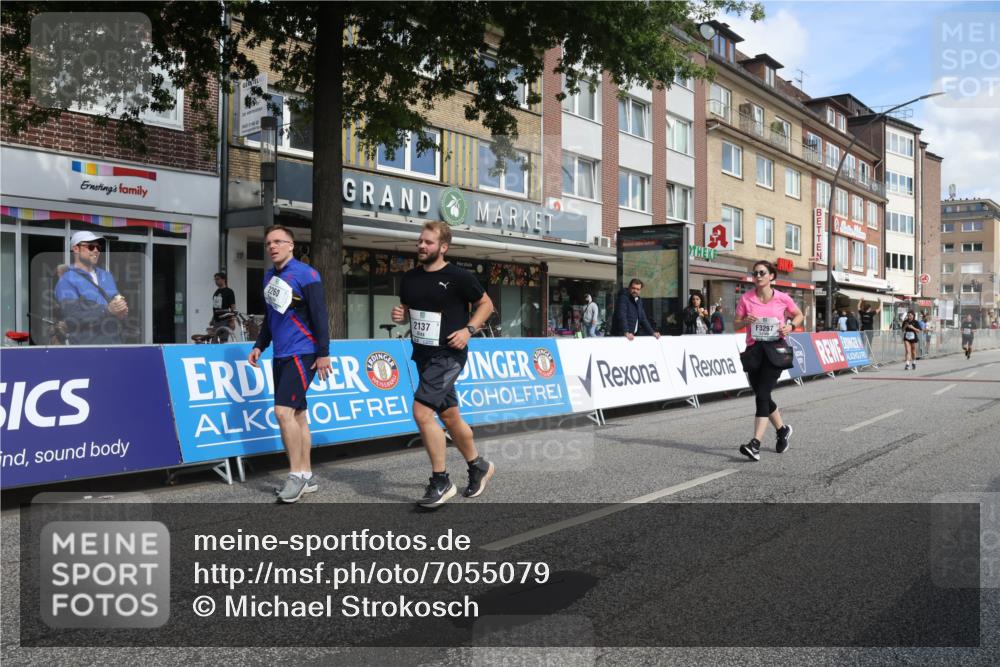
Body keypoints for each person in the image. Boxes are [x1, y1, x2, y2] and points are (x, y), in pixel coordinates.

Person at [392, 221, 496, 508]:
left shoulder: (459, 277)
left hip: (449, 355)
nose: (422, 246)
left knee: (422, 412)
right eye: (420, 241)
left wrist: (469, 330)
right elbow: (410, 313)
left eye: (428, 242)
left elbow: (486, 304)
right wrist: (401, 315)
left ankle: (441, 480)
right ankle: (479, 466)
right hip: (422, 355)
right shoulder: (410, 278)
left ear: (443, 247)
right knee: (450, 417)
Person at [248, 225, 331, 503]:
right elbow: (272, 318)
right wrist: (260, 345)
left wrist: (323, 353)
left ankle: (294, 475)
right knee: (297, 416)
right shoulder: (269, 276)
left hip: (303, 353)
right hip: (280, 354)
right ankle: (306, 476)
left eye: (278, 242)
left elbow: (321, 316)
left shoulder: (307, 274)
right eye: (269, 242)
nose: (272, 246)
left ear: (291, 245)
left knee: (283, 412)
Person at [734, 260, 804, 462]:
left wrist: (790, 326)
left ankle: (755, 443)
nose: (757, 276)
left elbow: (799, 315)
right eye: (754, 273)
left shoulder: (782, 298)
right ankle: (782, 430)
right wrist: (744, 321)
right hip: (754, 350)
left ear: (771, 276)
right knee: (762, 395)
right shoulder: (746, 299)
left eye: (762, 272)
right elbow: (735, 323)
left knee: (762, 394)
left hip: (775, 350)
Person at [54, 231, 129, 345]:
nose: (96, 250)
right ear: (76, 249)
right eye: (90, 246)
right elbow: (72, 318)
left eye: (98, 247)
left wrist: (121, 310)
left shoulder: (107, 276)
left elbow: (117, 303)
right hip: (87, 351)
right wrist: (107, 310)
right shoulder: (66, 280)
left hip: (115, 345)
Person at [210, 272, 237, 342]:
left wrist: (232, 321)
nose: (216, 281)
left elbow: (233, 307)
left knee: (223, 340)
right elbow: (216, 307)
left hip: (225, 320)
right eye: (215, 280)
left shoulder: (229, 291)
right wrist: (213, 319)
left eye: (218, 279)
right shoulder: (216, 292)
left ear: (223, 279)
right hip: (217, 321)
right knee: (214, 341)